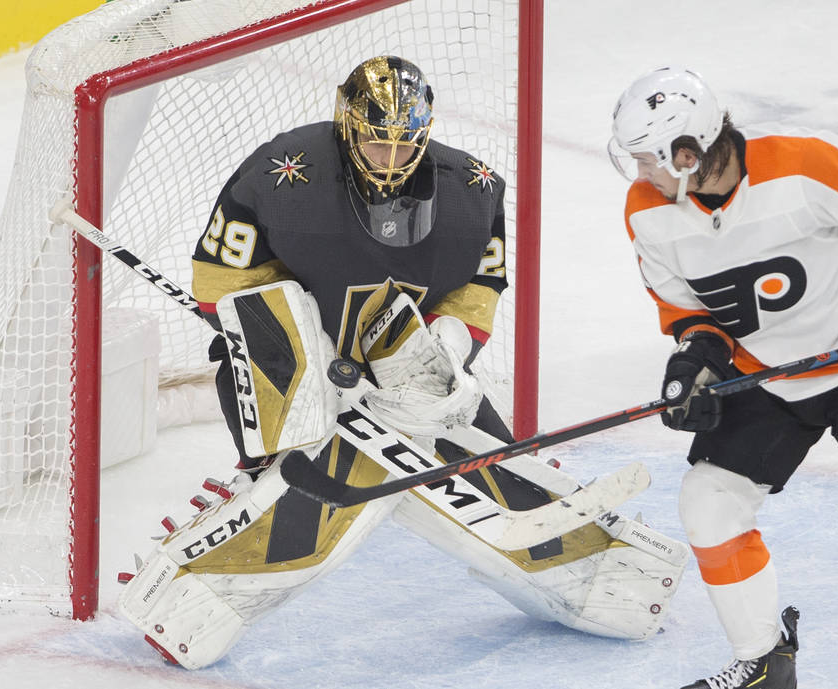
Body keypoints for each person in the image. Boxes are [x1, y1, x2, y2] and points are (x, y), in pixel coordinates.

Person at [115, 55, 686, 669]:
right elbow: (221, 281)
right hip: (295, 367)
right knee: (293, 463)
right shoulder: (282, 172)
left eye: (403, 143)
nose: (388, 157)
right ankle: (238, 519)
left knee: (468, 442)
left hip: (405, 367)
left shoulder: (472, 187)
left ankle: (605, 577)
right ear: (346, 122)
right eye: (374, 141)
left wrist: (448, 351)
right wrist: (306, 354)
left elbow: (478, 289)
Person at [608, 65, 838, 689]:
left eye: (649, 159)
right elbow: (688, 311)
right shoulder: (649, 212)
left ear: (688, 152)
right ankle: (764, 663)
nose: (640, 174)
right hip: (768, 378)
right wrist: (695, 361)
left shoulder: (802, 166)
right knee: (709, 501)